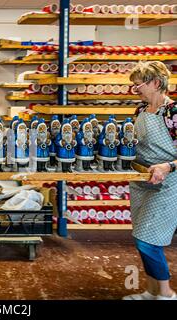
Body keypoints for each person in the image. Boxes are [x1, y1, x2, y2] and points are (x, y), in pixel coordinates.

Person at [123, 61, 177, 300]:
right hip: (141, 181)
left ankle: (166, 293)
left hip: (168, 183)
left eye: (138, 85)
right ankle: (151, 290)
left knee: (148, 239)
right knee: (141, 237)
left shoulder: (173, 113)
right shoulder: (141, 111)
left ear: (156, 83)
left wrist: (168, 166)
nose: (136, 90)